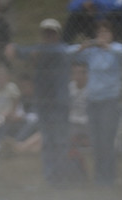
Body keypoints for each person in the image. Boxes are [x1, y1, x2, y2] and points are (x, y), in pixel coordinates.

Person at [6, 18, 73, 187]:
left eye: (51, 33)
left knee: (59, 142)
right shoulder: (41, 50)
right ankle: (51, 178)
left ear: (57, 35)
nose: (48, 36)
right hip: (44, 104)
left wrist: (17, 49)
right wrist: (15, 49)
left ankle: (61, 178)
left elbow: (29, 51)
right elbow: (26, 52)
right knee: (48, 143)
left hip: (58, 105)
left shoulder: (60, 50)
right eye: (45, 33)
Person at [70, 19, 122, 186]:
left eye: (106, 32)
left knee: (107, 140)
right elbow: (69, 52)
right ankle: (99, 177)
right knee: (96, 140)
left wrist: (105, 45)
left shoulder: (115, 50)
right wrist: (85, 45)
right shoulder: (92, 53)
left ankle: (109, 178)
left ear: (111, 35)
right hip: (92, 102)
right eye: (100, 33)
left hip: (109, 101)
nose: (102, 36)